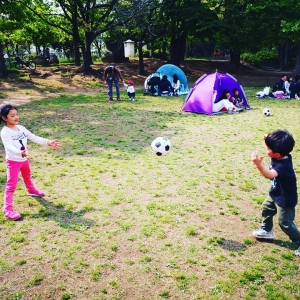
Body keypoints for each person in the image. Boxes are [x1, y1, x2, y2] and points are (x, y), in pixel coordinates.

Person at [0, 104, 61, 220]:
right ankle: (7, 209)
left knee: (27, 176)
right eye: (12, 115)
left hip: (24, 159)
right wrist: (19, 152)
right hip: (13, 161)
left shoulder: (21, 128)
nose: (16, 117)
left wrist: (48, 142)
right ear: (4, 118)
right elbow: (8, 147)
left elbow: (34, 137)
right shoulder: (5, 132)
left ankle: (31, 190)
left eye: (17, 114)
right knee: (11, 185)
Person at [251, 130, 300, 256]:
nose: (266, 149)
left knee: (285, 223)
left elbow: (269, 174)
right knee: (266, 208)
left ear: (277, 154)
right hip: (276, 192)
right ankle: (267, 230)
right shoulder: (283, 154)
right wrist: (268, 139)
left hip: (285, 198)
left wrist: (258, 165)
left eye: (268, 148)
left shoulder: (283, 166)